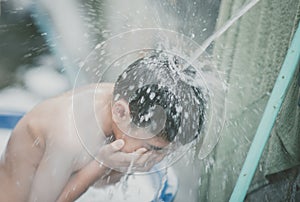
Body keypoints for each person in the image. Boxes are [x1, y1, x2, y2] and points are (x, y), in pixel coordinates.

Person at [0, 51, 205, 202]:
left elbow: (100, 182)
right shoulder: (69, 137)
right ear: (120, 112)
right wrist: (101, 165)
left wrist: (113, 166)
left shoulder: (123, 102)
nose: (158, 158)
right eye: (154, 148)